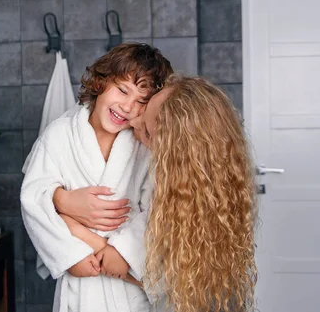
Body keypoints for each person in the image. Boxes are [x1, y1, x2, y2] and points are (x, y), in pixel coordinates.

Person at [56, 75, 258, 312]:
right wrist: (63, 199)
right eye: (144, 111)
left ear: (176, 153)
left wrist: (67, 220)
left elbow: (141, 275)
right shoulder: (220, 185)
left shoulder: (197, 208)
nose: (133, 124)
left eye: (147, 133)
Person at [21, 42, 173, 312]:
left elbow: (155, 208)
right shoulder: (59, 135)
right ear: (101, 83)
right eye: (122, 90)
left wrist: (122, 251)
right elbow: (33, 197)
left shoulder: (144, 145)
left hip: (127, 284)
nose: (127, 106)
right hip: (81, 283)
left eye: (141, 101)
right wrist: (69, 255)